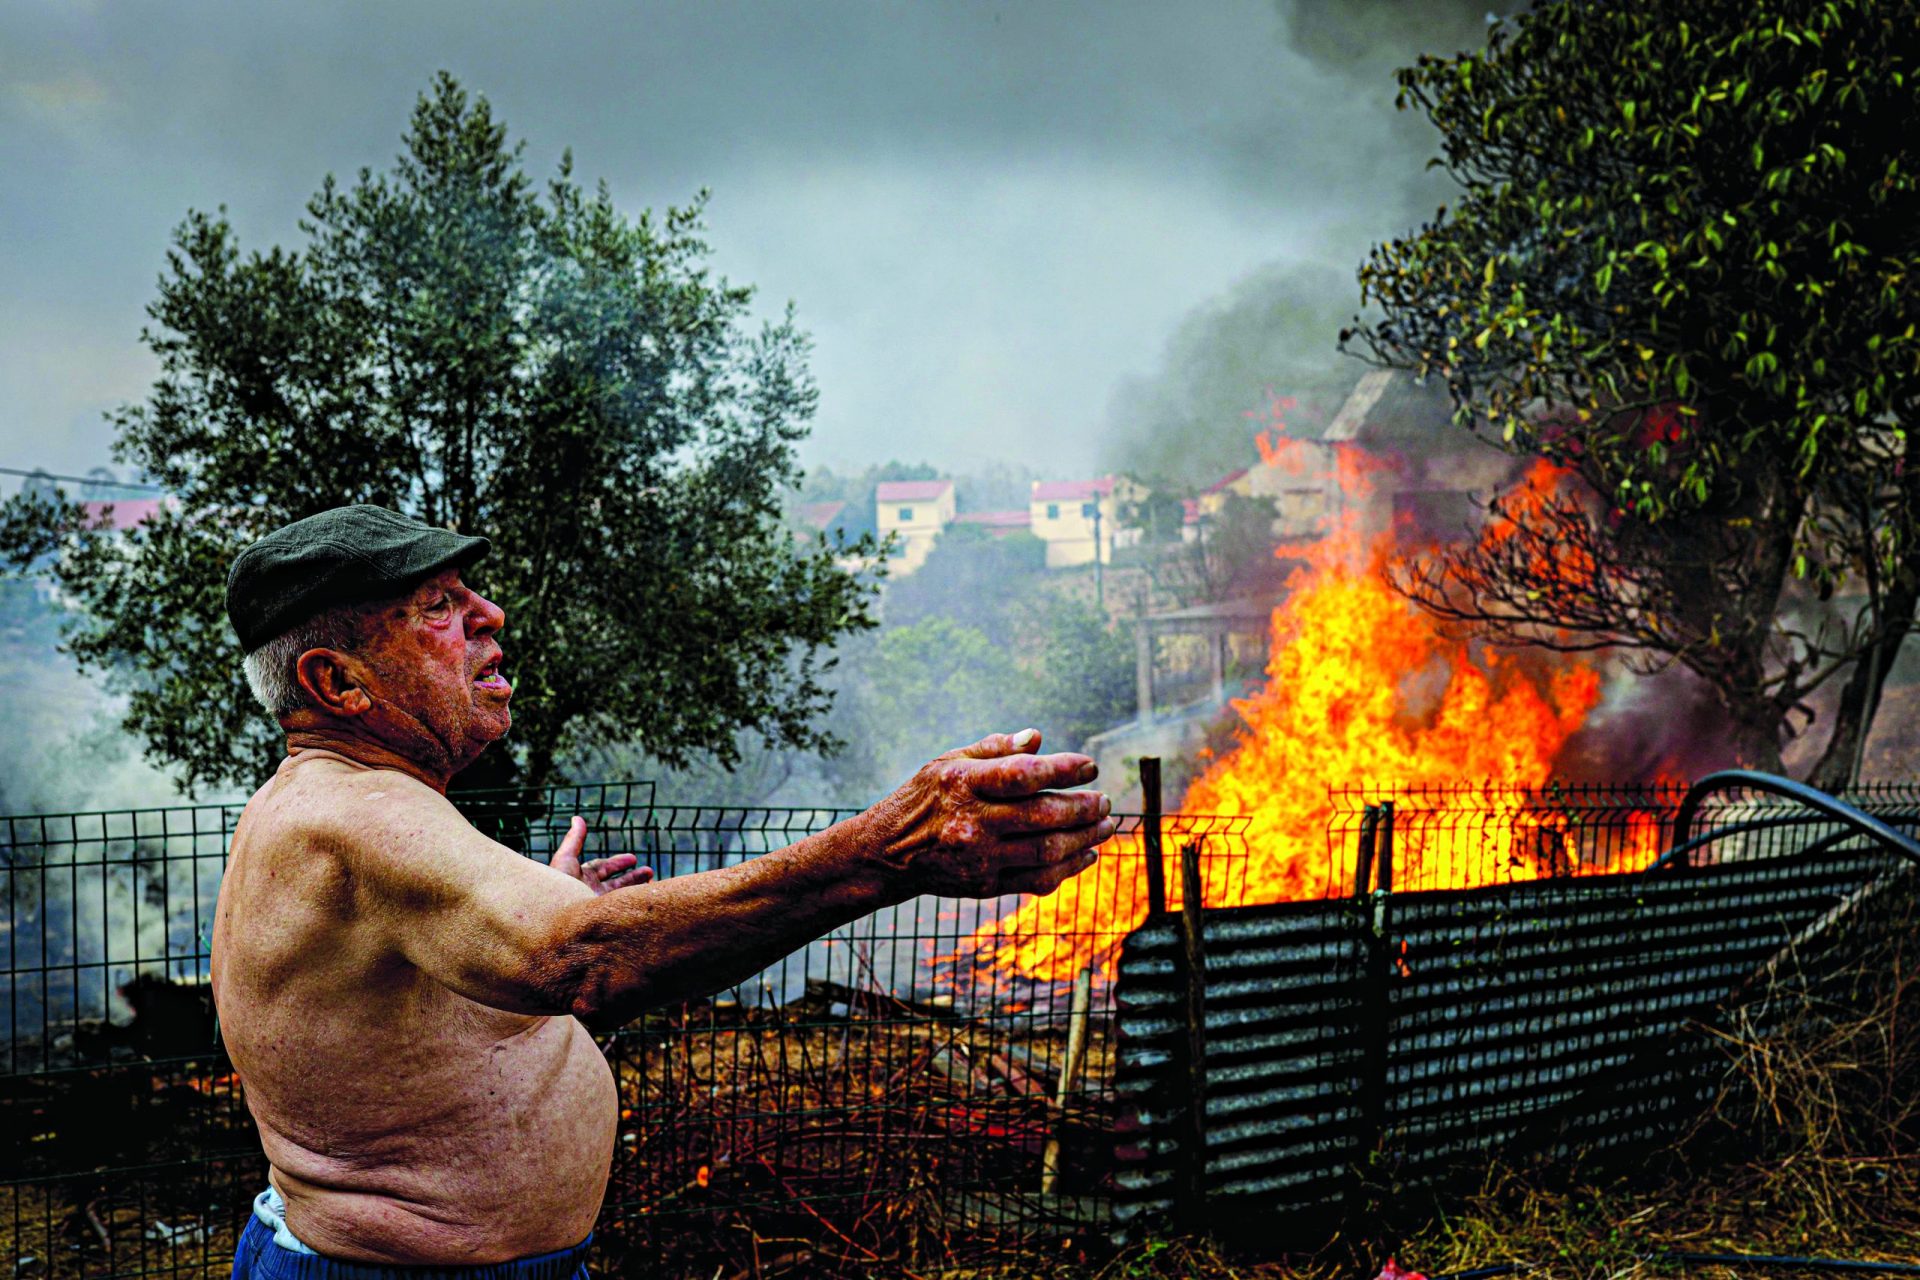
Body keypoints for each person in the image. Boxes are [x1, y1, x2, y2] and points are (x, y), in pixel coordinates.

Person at [211, 505, 1116, 1279]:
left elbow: (438, 1023)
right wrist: (887, 850)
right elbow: (586, 960)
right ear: (336, 682)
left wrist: (545, 915)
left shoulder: (344, 809)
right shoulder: (355, 815)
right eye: (440, 608)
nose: (490, 613)